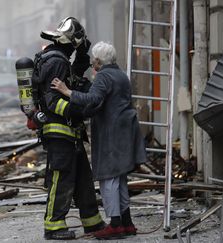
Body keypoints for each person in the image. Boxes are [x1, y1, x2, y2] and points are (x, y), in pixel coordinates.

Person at [51, 41, 147, 239]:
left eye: (93, 61)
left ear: (97, 61)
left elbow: (93, 99)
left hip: (111, 134)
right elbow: (103, 102)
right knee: (120, 178)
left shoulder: (104, 76)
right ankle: (127, 223)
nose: (92, 64)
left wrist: (66, 91)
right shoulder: (121, 74)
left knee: (108, 178)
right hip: (125, 131)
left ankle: (115, 224)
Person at [33, 17, 105, 240]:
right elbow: (54, 101)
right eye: (76, 46)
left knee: (83, 177)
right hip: (59, 132)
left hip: (70, 134)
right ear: (70, 43)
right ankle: (53, 226)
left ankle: (92, 222)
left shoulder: (59, 58)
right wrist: (79, 110)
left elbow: (77, 70)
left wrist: (84, 49)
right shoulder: (58, 61)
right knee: (61, 178)